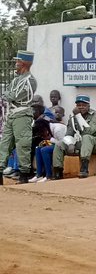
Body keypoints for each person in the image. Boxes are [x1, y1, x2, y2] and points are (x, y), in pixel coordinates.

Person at [0, 50, 39, 185]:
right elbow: (6, 94)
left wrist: (9, 95)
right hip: (12, 114)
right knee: (4, 143)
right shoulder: (16, 79)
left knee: (22, 145)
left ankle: (24, 174)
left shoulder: (30, 80)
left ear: (24, 63)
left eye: (17, 61)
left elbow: (13, 96)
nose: (15, 63)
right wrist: (9, 95)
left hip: (22, 114)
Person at [51, 95, 96, 179]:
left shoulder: (95, 116)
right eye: (79, 105)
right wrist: (70, 143)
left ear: (88, 106)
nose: (81, 107)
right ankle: (57, 171)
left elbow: (88, 132)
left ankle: (84, 169)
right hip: (83, 143)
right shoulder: (73, 117)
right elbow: (69, 134)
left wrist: (78, 116)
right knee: (60, 144)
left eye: (84, 105)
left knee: (87, 137)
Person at [33, 106, 66, 182]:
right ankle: (39, 174)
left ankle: (48, 175)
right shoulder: (49, 128)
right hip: (56, 145)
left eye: (42, 133)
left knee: (45, 150)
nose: (42, 135)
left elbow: (62, 143)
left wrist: (50, 139)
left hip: (65, 147)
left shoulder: (58, 128)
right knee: (38, 148)